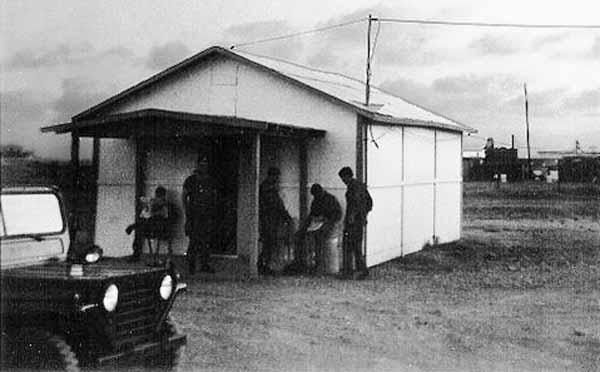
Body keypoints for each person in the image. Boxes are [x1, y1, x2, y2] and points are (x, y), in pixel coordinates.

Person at [294, 183, 342, 272]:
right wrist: (303, 229)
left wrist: (327, 222)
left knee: (320, 243)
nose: (316, 196)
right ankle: (316, 264)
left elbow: (337, 215)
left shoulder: (330, 199)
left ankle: (319, 264)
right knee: (315, 242)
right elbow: (312, 215)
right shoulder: (316, 200)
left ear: (321, 192)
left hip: (329, 225)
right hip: (319, 225)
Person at [338, 166, 372, 279]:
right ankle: (361, 270)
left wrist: (352, 216)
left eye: (343, 178)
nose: (343, 181)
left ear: (347, 176)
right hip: (359, 220)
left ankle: (349, 271)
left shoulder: (353, 187)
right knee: (356, 245)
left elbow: (355, 202)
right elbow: (370, 203)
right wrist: (364, 215)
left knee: (349, 245)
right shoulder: (360, 185)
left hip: (353, 221)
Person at [182, 164, 217, 275]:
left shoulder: (210, 181)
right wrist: (187, 212)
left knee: (206, 240)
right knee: (194, 240)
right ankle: (191, 265)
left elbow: (214, 196)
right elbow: (184, 196)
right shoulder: (191, 180)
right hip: (194, 215)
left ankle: (204, 264)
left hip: (207, 214)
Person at [259, 167, 292, 275]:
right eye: (276, 176)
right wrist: (287, 217)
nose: (278, 179)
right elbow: (277, 205)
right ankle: (264, 265)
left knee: (268, 243)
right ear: (272, 176)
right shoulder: (268, 189)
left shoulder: (266, 187)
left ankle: (264, 264)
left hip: (269, 219)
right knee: (269, 242)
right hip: (269, 219)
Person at [126, 186, 170, 262]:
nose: (158, 197)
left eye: (160, 196)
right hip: (148, 227)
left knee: (148, 221)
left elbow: (165, 217)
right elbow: (143, 215)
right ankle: (136, 254)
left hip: (159, 228)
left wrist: (155, 210)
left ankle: (134, 226)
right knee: (140, 230)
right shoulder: (152, 202)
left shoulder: (166, 205)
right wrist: (148, 208)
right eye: (157, 195)